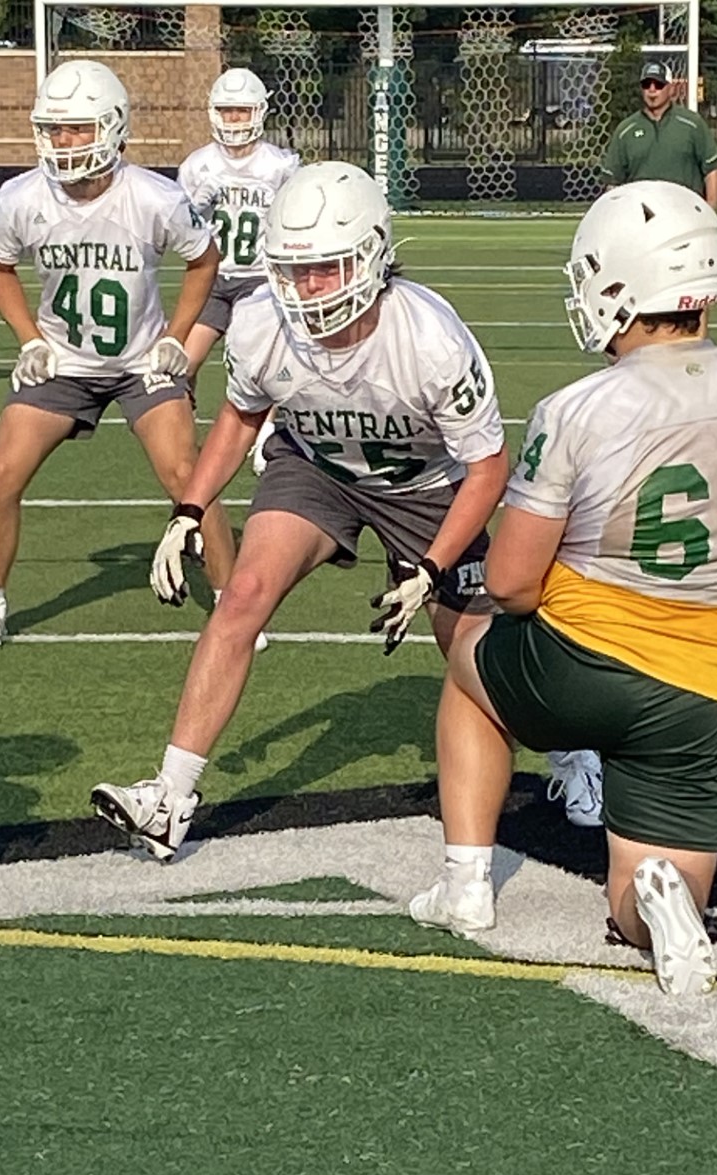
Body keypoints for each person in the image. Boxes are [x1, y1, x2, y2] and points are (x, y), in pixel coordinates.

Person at [409, 183, 717, 997]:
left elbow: (515, 583)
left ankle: (466, 886)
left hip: (584, 660)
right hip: (706, 691)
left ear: (621, 285)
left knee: (469, 661)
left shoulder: (581, 406)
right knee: (633, 900)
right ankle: (662, 906)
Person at [89, 161, 509, 863]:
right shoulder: (261, 322)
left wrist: (432, 567)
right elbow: (239, 420)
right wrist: (189, 509)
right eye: (294, 269)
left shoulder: (431, 337)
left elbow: (489, 467)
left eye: (328, 267)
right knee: (243, 593)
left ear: (373, 257)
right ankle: (169, 797)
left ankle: (569, 759)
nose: (308, 287)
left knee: (474, 648)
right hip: (317, 469)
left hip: (428, 487)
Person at [0, 59, 226, 657]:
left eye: (78, 128)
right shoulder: (21, 198)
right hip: (63, 363)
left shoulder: (156, 197)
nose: (64, 141)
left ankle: (233, 604)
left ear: (114, 127)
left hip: (139, 363)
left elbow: (203, 259)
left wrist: (175, 338)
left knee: (189, 477)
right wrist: (28, 338)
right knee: (2, 473)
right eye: (54, 128)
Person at [176, 69, 299, 379]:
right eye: (226, 111)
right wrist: (193, 208)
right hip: (212, 278)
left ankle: (265, 429)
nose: (233, 119)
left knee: (257, 368)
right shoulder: (197, 166)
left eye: (242, 111)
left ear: (259, 112)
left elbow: (300, 224)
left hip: (260, 278)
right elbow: (176, 234)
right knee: (183, 365)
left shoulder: (279, 166)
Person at [601, 59, 717, 210]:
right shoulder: (625, 131)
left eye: (658, 85)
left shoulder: (692, 124)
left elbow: (711, 168)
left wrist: (711, 209)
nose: (652, 90)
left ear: (671, 88)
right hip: (641, 217)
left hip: (685, 214)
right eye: (646, 85)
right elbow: (613, 182)